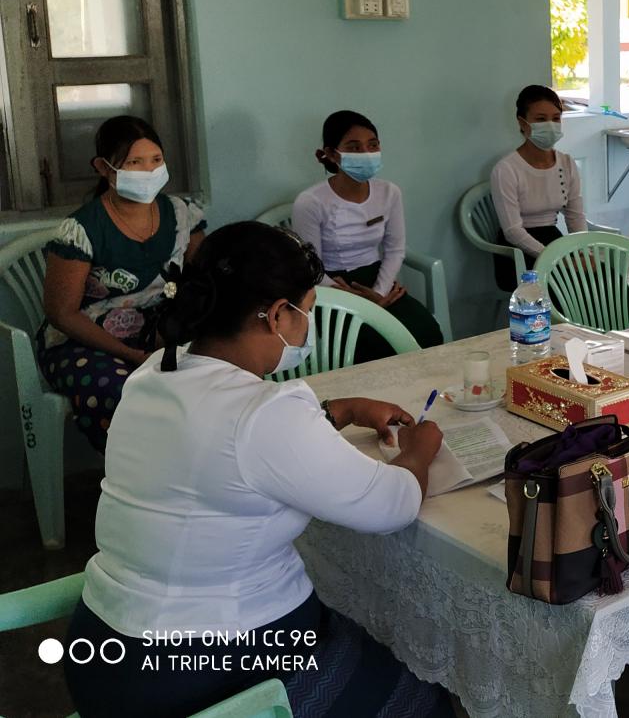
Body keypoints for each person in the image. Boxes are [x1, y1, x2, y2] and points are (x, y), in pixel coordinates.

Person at [62, 222, 452, 718]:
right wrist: (419, 451)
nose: (306, 326)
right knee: (425, 697)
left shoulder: (154, 373)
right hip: (200, 669)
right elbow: (392, 505)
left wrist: (339, 410)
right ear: (277, 315)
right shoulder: (264, 412)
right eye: (307, 311)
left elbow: (223, 448)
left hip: (103, 656)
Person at [40, 116, 205, 452]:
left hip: (164, 330)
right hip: (88, 342)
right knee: (125, 393)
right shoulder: (82, 229)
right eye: (134, 163)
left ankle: (203, 469)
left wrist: (175, 331)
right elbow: (63, 313)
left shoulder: (181, 213)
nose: (149, 171)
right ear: (104, 168)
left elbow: (201, 278)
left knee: (216, 375)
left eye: (156, 160)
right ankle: (140, 476)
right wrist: (131, 354)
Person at [292, 110, 442, 360]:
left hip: (377, 279)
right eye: (354, 147)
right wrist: (356, 299)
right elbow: (310, 268)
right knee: (372, 343)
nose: (366, 153)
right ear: (332, 154)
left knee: (426, 332)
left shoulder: (389, 192)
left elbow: (395, 250)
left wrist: (379, 293)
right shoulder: (310, 202)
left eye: (372, 145)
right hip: (332, 286)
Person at [489, 84, 588, 290]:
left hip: (553, 239)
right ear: (522, 122)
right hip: (518, 251)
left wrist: (581, 252)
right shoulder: (506, 169)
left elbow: (575, 216)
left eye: (556, 118)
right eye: (541, 119)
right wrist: (555, 257)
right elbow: (513, 231)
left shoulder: (567, 163)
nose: (550, 125)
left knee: (608, 279)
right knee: (568, 289)